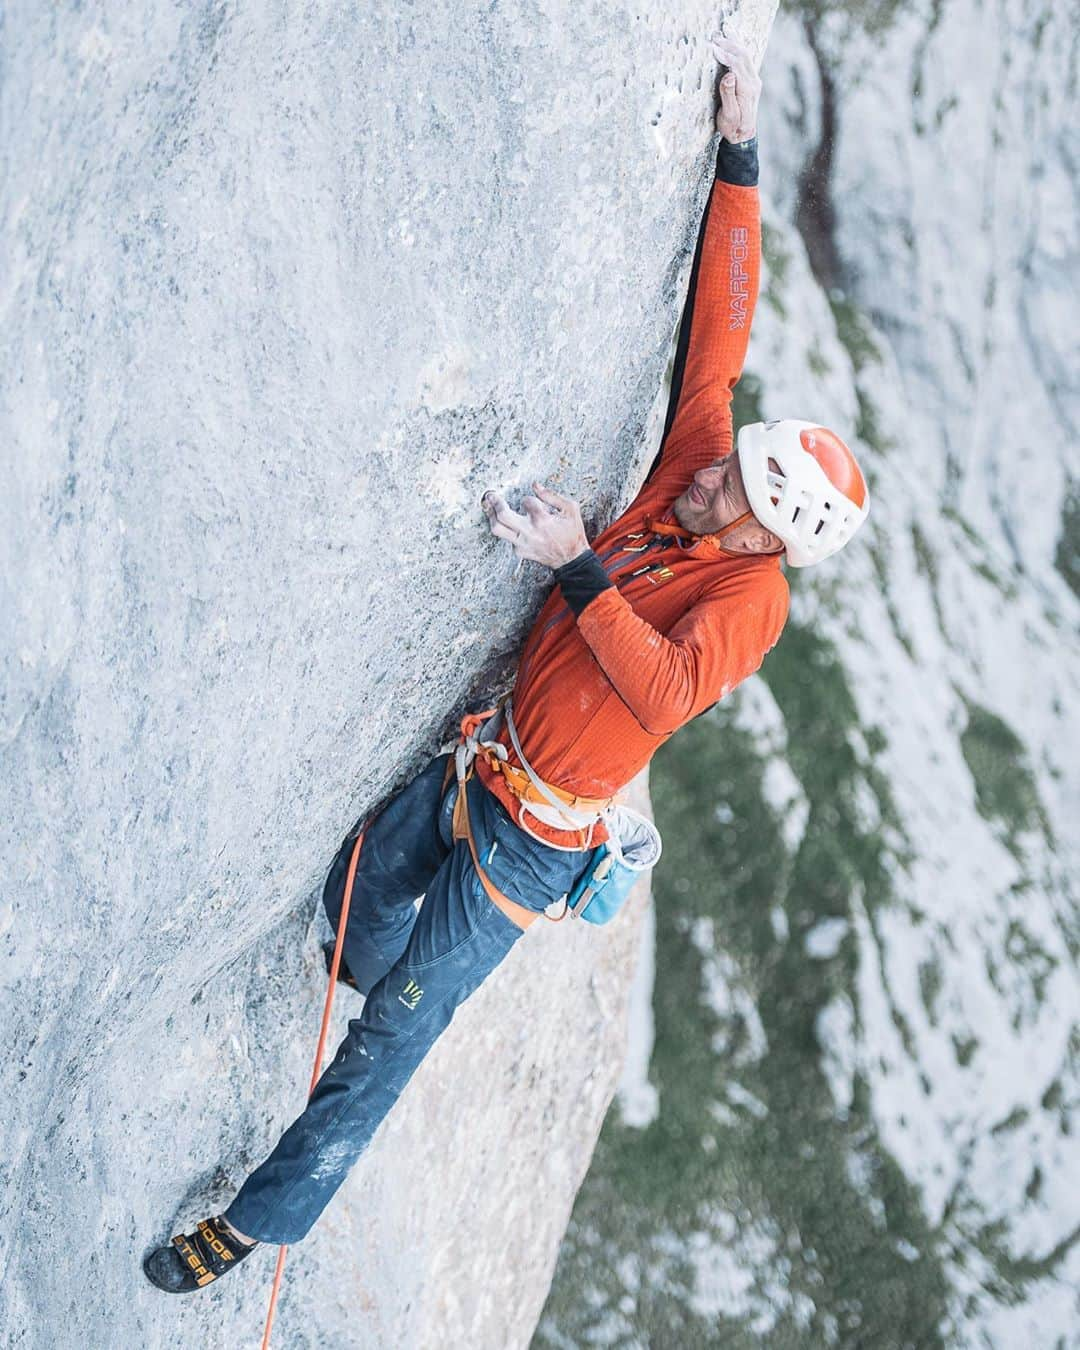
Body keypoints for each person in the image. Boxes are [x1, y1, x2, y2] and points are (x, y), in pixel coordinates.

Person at [144, 27, 869, 1294]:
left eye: (737, 488)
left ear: (766, 532)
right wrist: (740, 156)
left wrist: (581, 564)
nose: (708, 472)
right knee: (353, 899)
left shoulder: (750, 600)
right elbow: (721, 328)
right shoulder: (702, 471)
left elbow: (664, 689)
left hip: (536, 845)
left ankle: (257, 1226)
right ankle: (355, 960)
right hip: (488, 764)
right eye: (728, 463)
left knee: (392, 1041)